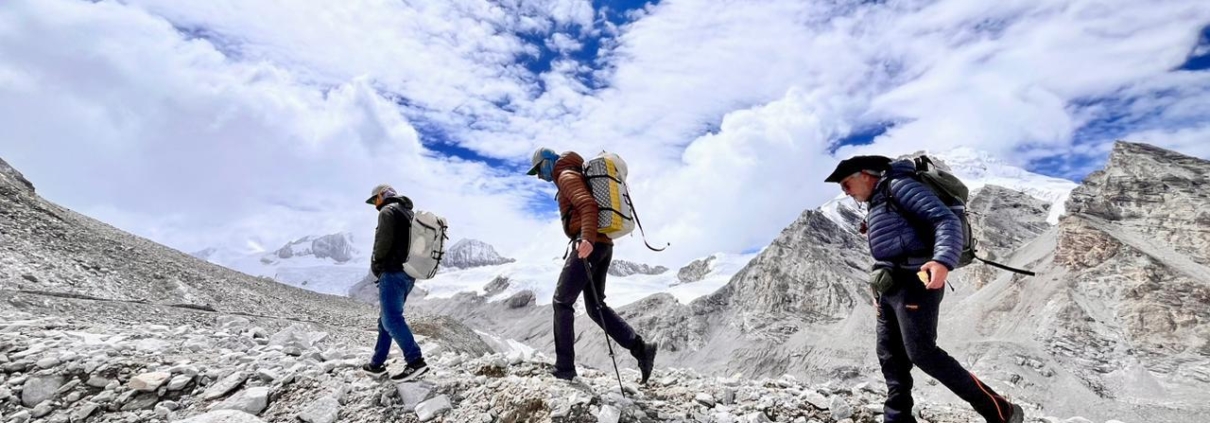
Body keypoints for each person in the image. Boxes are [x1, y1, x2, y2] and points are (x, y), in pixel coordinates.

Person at [825, 156, 1023, 423]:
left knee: (922, 353)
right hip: (889, 288)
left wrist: (942, 261)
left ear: (865, 174)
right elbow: (888, 250)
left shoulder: (900, 186)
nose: (845, 191)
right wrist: (877, 289)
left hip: (916, 281)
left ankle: (1000, 411)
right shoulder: (877, 200)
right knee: (890, 356)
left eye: (847, 184)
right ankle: (897, 419)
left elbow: (944, 220)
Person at [526, 147, 658, 383]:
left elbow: (587, 205)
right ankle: (642, 349)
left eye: (539, 169)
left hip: (589, 244)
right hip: (603, 246)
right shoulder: (573, 173)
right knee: (596, 307)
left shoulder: (565, 175)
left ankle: (564, 368)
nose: (539, 175)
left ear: (548, 162)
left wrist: (586, 238)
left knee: (561, 301)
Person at [360, 184, 428, 382]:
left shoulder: (388, 211)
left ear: (383, 196)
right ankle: (376, 363)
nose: (375, 205)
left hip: (392, 272)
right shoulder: (408, 212)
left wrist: (377, 264)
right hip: (408, 274)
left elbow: (383, 242)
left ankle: (415, 361)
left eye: (375, 200)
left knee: (391, 319)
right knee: (385, 320)